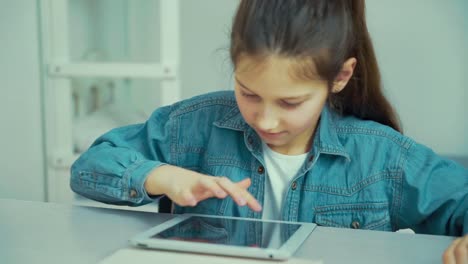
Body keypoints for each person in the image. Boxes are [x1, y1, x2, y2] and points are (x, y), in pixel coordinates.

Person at [70, 0, 468, 263]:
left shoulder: (383, 157)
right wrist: (163, 177)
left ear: (340, 76)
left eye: (290, 103)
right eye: (249, 93)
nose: (266, 121)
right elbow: (91, 165)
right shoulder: (194, 125)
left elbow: (459, 200)